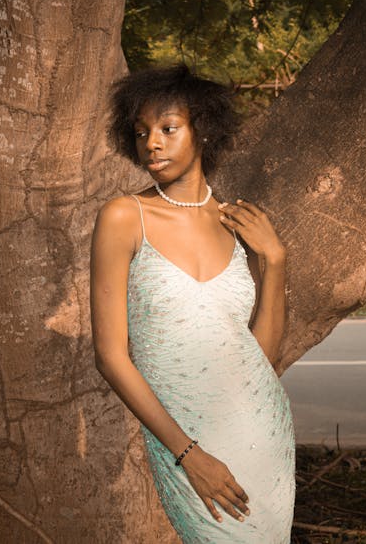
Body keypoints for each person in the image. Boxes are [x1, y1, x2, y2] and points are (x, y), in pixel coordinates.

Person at [90, 63, 296, 543]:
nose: (151, 143)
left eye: (167, 128)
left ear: (203, 129)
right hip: (185, 445)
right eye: (141, 132)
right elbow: (110, 357)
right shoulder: (125, 217)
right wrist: (189, 455)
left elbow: (257, 360)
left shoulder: (233, 222)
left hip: (261, 434)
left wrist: (276, 261)